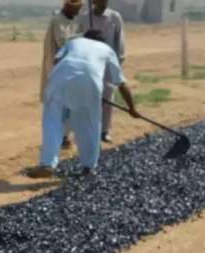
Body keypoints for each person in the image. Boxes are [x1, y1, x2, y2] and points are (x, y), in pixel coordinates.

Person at [27, 30, 140, 178]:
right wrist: (132, 108)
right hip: (91, 82)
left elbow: (57, 61)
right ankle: (88, 167)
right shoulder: (107, 49)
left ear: (85, 37)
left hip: (61, 77)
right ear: (102, 41)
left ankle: (47, 164)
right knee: (90, 125)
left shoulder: (73, 42)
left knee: (53, 121)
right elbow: (121, 83)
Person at [79, 0, 126, 143]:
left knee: (107, 95)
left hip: (108, 62)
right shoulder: (85, 18)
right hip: (89, 62)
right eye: (101, 2)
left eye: (106, 1)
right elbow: (78, 38)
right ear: (94, 2)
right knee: (89, 95)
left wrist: (118, 60)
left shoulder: (115, 17)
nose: (104, 4)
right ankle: (89, 128)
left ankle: (105, 130)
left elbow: (120, 39)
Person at [41, 0, 84, 148]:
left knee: (69, 104)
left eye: (78, 9)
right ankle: (60, 137)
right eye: (74, 9)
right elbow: (63, 41)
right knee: (59, 104)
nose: (77, 12)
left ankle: (65, 136)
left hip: (69, 67)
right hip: (57, 68)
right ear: (66, 7)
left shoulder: (74, 19)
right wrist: (85, 37)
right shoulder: (58, 20)